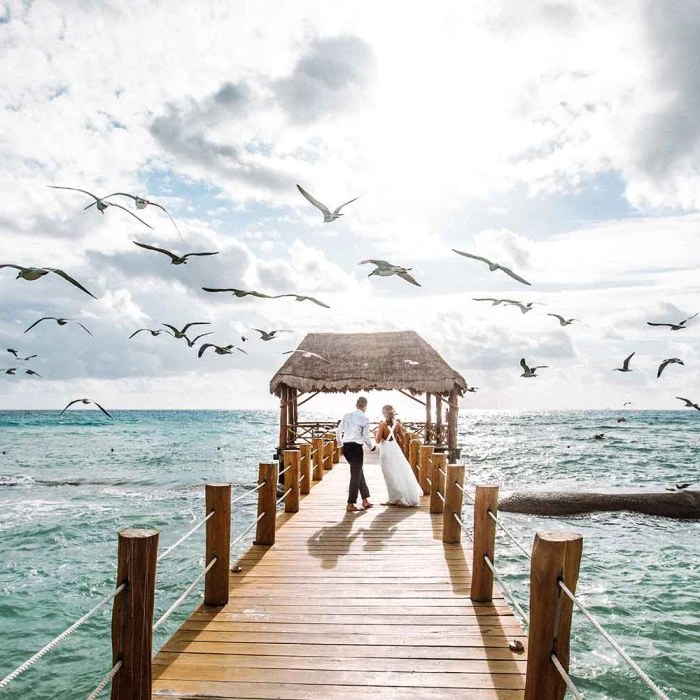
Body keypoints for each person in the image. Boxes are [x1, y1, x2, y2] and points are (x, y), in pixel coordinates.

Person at [375, 405, 423, 506]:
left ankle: (393, 499)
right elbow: (401, 439)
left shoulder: (382, 425)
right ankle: (401, 495)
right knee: (400, 472)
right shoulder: (397, 424)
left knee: (388, 474)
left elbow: (378, 440)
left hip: (386, 450)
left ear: (384, 413)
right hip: (395, 449)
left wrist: (376, 433)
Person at [336, 396, 375, 512]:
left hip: (346, 447)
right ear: (365, 407)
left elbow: (338, 431)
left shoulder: (346, 416)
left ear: (356, 405)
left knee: (358, 472)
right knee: (355, 475)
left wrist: (340, 445)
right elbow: (366, 437)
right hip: (356, 448)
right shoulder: (364, 419)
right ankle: (351, 503)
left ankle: (365, 500)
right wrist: (371, 447)